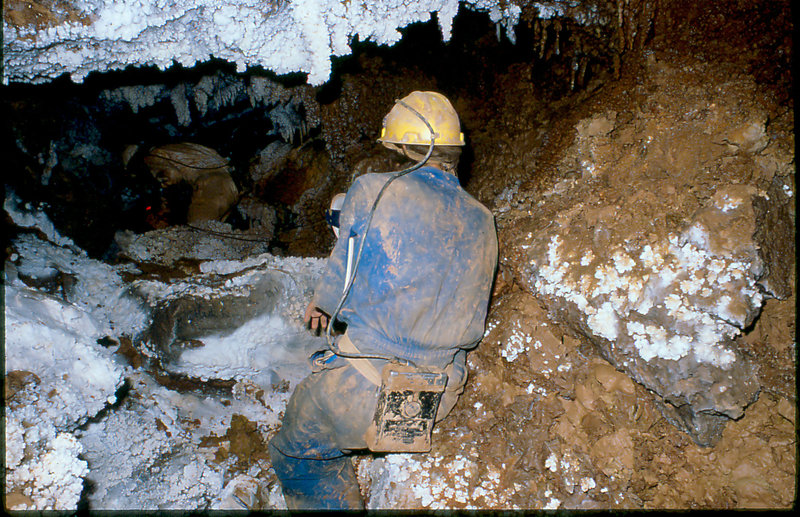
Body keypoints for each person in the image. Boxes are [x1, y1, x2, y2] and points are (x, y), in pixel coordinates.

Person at [268, 91, 498, 509]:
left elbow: (340, 282)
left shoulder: (373, 189)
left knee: (298, 454)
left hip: (361, 389)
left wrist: (321, 306)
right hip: (434, 397)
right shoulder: (483, 218)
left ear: (406, 146)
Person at [123, 142, 238, 225]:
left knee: (197, 240)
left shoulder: (207, 186)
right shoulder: (212, 179)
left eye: (160, 174)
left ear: (162, 155)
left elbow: (196, 241)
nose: (161, 184)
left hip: (214, 185)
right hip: (223, 185)